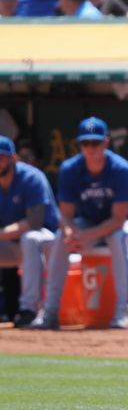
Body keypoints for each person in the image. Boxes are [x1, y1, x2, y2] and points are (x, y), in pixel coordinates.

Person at [31, 117, 128, 330]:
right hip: (88, 224)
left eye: (96, 142)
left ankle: (123, 309)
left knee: (116, 237)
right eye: (86, 143)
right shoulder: (70, 168)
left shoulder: (120, 168)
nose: (91, 148)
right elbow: (66, 215)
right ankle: (50, 311)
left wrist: (86, 235)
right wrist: (70, 233)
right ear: (80, 145)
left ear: (106, 143)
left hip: (126, 224)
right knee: (59, 239)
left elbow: (118, 219)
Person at [0, 137, 59, 328]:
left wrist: (2, 234)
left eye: (1, 157)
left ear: (13, 158)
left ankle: (28, 309)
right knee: (25, 240)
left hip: (47, 241)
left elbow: (34, 221)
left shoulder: (32, 177)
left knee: (30, 237)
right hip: (11, 245)